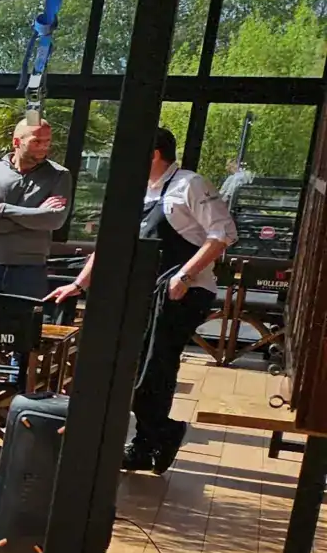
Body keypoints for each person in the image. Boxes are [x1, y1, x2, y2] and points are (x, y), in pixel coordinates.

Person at [46, 125, 234, 473]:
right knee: (134, 369)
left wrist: (184, 276)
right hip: (142, 294)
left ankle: (157, 436)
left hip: (183, 293)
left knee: (153, 369)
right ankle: (151, 441)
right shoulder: (137, 191)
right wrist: (79, 285)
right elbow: (110, 243)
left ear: (154, 154)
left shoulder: (190, 184)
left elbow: (223, 234)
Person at [0, 112, 72, 303]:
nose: (44, 147)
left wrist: (3, 209)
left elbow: (54, 220)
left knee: (24, 321)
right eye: (37, 142)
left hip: (29, 270)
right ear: (17, 142)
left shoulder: (59, 175)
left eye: (47, 141)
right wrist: (34, 218)